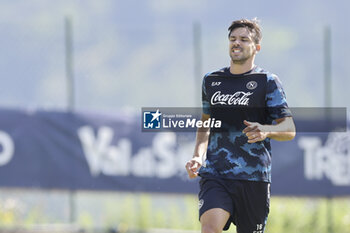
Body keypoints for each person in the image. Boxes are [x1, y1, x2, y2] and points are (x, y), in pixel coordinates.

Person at [185, 18, 296, 233]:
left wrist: (266, 131)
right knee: (209, 228)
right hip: (216, 173)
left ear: (257, 47)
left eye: (244, 39)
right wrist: (198, 155)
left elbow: (289, 129)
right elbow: (205, 123)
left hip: (253, 177)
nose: (237, 43)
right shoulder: (211, 80)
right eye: (233, 39)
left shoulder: (267, 81)